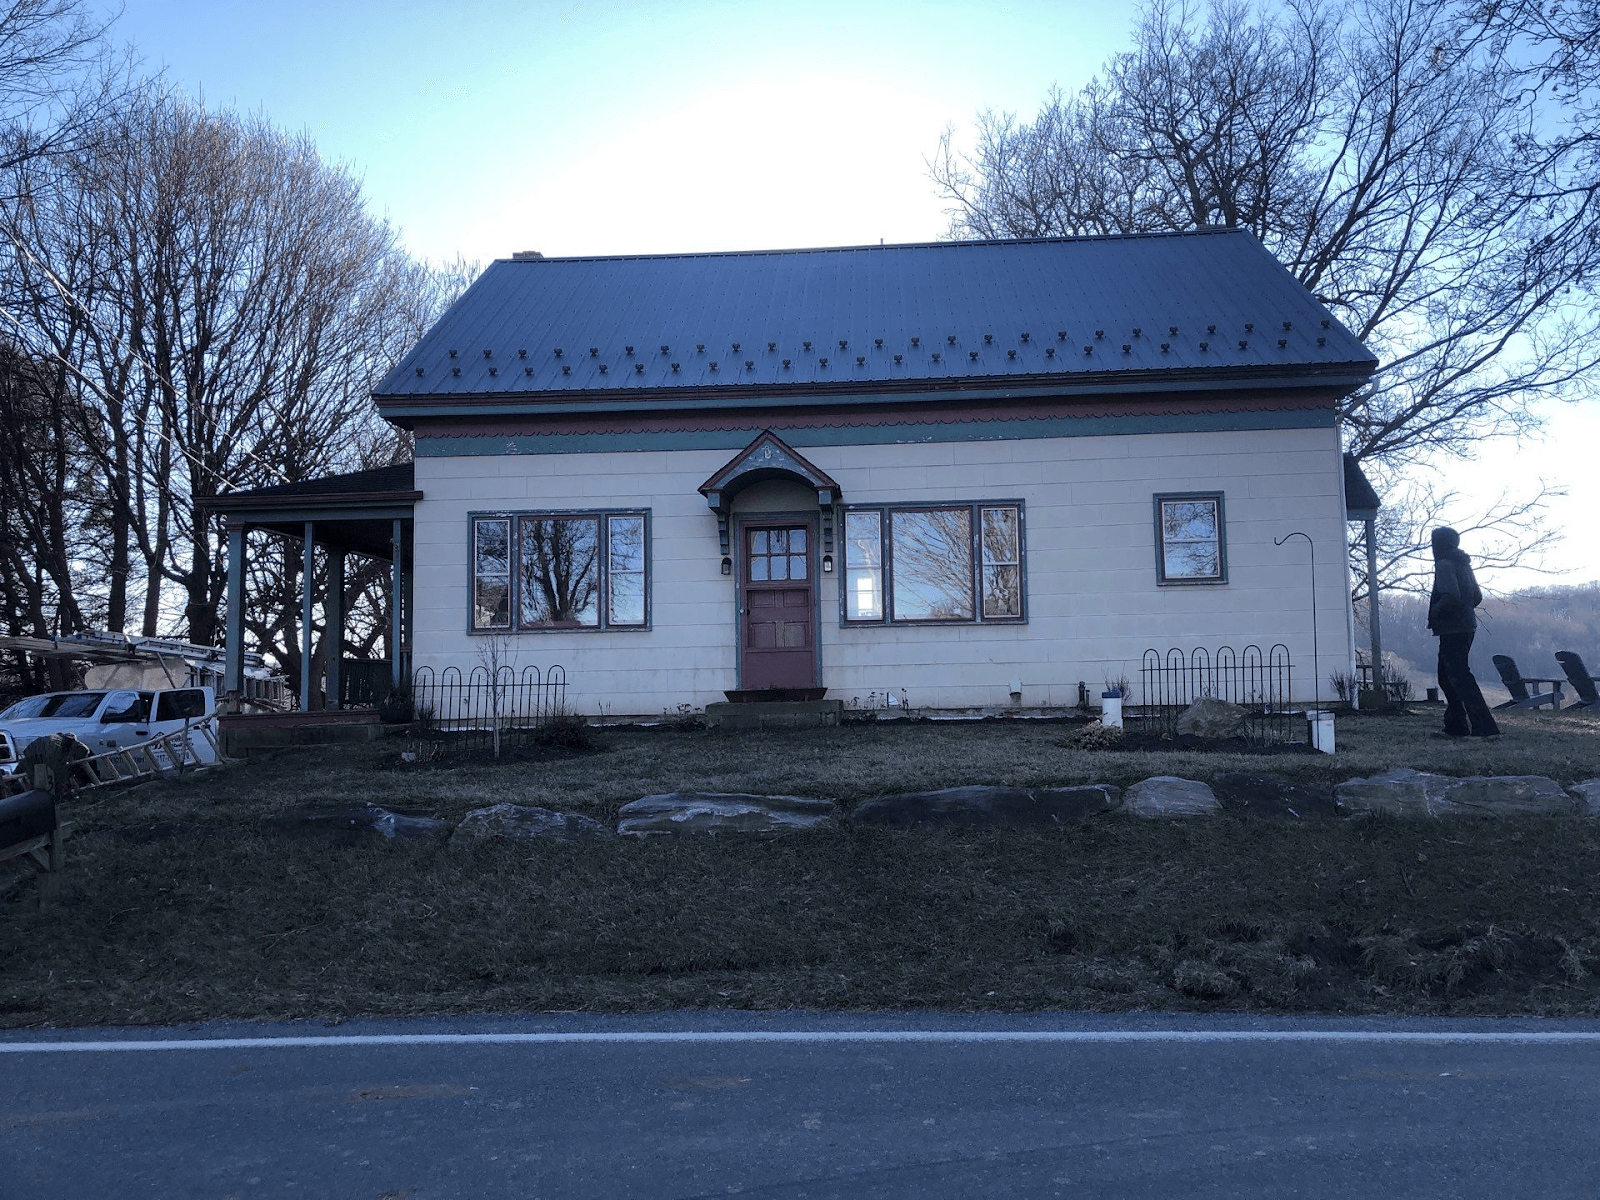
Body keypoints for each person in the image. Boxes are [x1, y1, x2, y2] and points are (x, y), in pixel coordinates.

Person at [1427, 526, 1499, 738]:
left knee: (1456, 677)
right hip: (1467, 626)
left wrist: (1435, 613)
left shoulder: (1444, 564)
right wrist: (1464, 610)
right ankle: (1457, 725)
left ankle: (1481, 727)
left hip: (1453, 628)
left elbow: (1451, 595)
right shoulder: (1463, 564)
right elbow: (1476, 596)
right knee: (1450, 677)